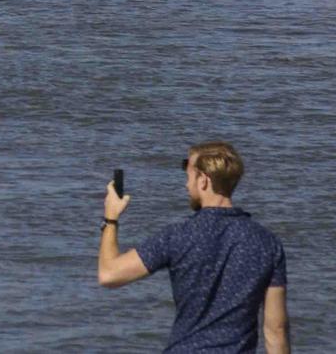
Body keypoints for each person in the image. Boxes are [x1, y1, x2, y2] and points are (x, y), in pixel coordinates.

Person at [97, 142, 289, 354]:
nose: (186, 185)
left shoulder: (178, 235)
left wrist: (111, 217)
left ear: (204, 181)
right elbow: (276, 330)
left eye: (188, 176)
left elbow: (109, 274)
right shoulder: (267, 244)